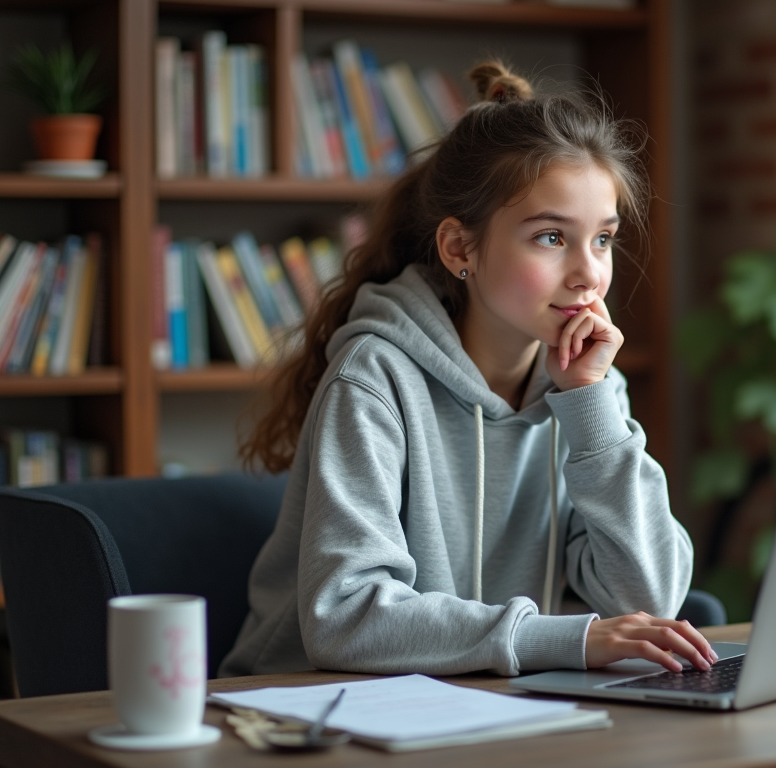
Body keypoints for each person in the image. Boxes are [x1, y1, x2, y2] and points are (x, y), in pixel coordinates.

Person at [220, 61, 715, 679]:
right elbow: (345, 618)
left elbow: (649, 603)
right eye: (551, 238)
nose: (589, 274)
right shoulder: (374, 378)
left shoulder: (590, 384)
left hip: (480, 701)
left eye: (603, 239)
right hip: (307, 710)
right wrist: (558, 639)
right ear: (461, 249)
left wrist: (591, 409)